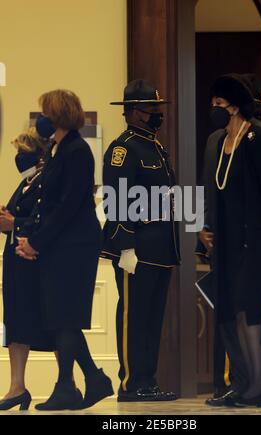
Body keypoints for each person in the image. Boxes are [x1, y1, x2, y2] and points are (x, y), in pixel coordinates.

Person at [16, 90, 113, 411]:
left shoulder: (77, 151)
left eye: (45, 112)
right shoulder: (60, 149)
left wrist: (36, 241)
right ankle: (87, 381)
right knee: (62, 317)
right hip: (63, 245)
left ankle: (69, 386)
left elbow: (69, 206)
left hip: (74, 246)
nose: (41, 118)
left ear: (57, 115)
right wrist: (33, 237)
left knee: (64, 317)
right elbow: (48, 204)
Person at [200, 74, 261, 406]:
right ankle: (246, 384)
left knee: (251, 312)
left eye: (219, 105)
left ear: (235, 106)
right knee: (232, 313)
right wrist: (202, 226)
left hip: (254, 241)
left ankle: (258, 385)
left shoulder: (259, 137)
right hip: (223, 242)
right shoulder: (215, 141)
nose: (213, 110)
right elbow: (207, 189)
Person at [101, 79, 180, 402]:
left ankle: (148, 380)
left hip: (161, 248)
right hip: (138, 247)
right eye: (152, 110)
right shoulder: (124, 149)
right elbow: (115, 200)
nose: (157, 115)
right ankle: (131, 383)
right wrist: (126, 245)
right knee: (134, 319)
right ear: (134, 113)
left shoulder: (155, 147)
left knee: (152, 320)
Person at [0, 128, 55, 411]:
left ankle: (65, 384)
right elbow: (17, 215)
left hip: (38, 262)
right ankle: (17, 387)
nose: (19, 159)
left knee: (51, 323)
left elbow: (48, 220)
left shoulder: (49, 180)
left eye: (24, 153)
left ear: (40, 153)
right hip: (15, 263)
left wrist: (16, 222)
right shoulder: (25, 182)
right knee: (16, 323)